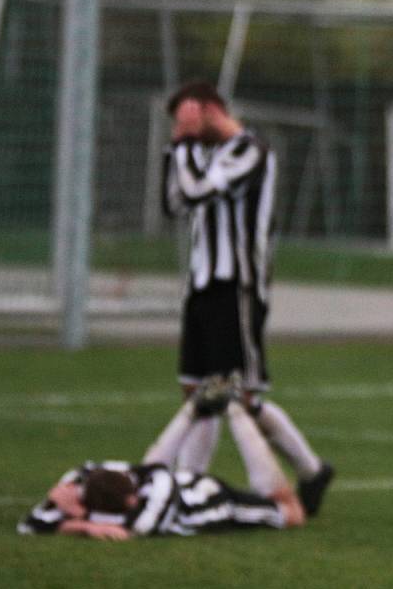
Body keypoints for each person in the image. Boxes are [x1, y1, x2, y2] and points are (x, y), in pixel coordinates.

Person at [161, 81, 332, 516]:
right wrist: (182, 151)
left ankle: (306, 470)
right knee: (195, 389)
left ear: (210, 110)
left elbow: (198, 192)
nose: (183, 131)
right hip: (200, 284)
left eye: (188, 120)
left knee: (238, 394)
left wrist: (179, 149)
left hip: (236, 286)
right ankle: (191, 484)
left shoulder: (250, 150)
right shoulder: (198, 153)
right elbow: (174, 203)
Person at [18, 389, 306, 538]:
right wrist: (82, 524)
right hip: (193, 494)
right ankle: (202, 408)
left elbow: (137, 526)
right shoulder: (87, 479)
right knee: (293, 511)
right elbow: (29, 526)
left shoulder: (151, 496)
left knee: (291, 510)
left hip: (209, 496)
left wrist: (75, 516)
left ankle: (231, 410)